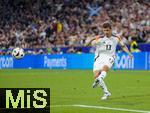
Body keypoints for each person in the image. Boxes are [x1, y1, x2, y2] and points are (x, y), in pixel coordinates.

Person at [86, 22, 133, 100]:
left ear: (111, 29)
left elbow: (123, 46)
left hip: (110, 57)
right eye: (104, 30)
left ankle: (99, 79)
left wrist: (129, 53)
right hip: (98, 58)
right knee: (96, 76)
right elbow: (86, 45)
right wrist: (92, 39)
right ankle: (106, 92)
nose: (106, 32)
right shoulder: (99, 38)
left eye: (107, 30)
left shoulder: (116, 37)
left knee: (105, 69)